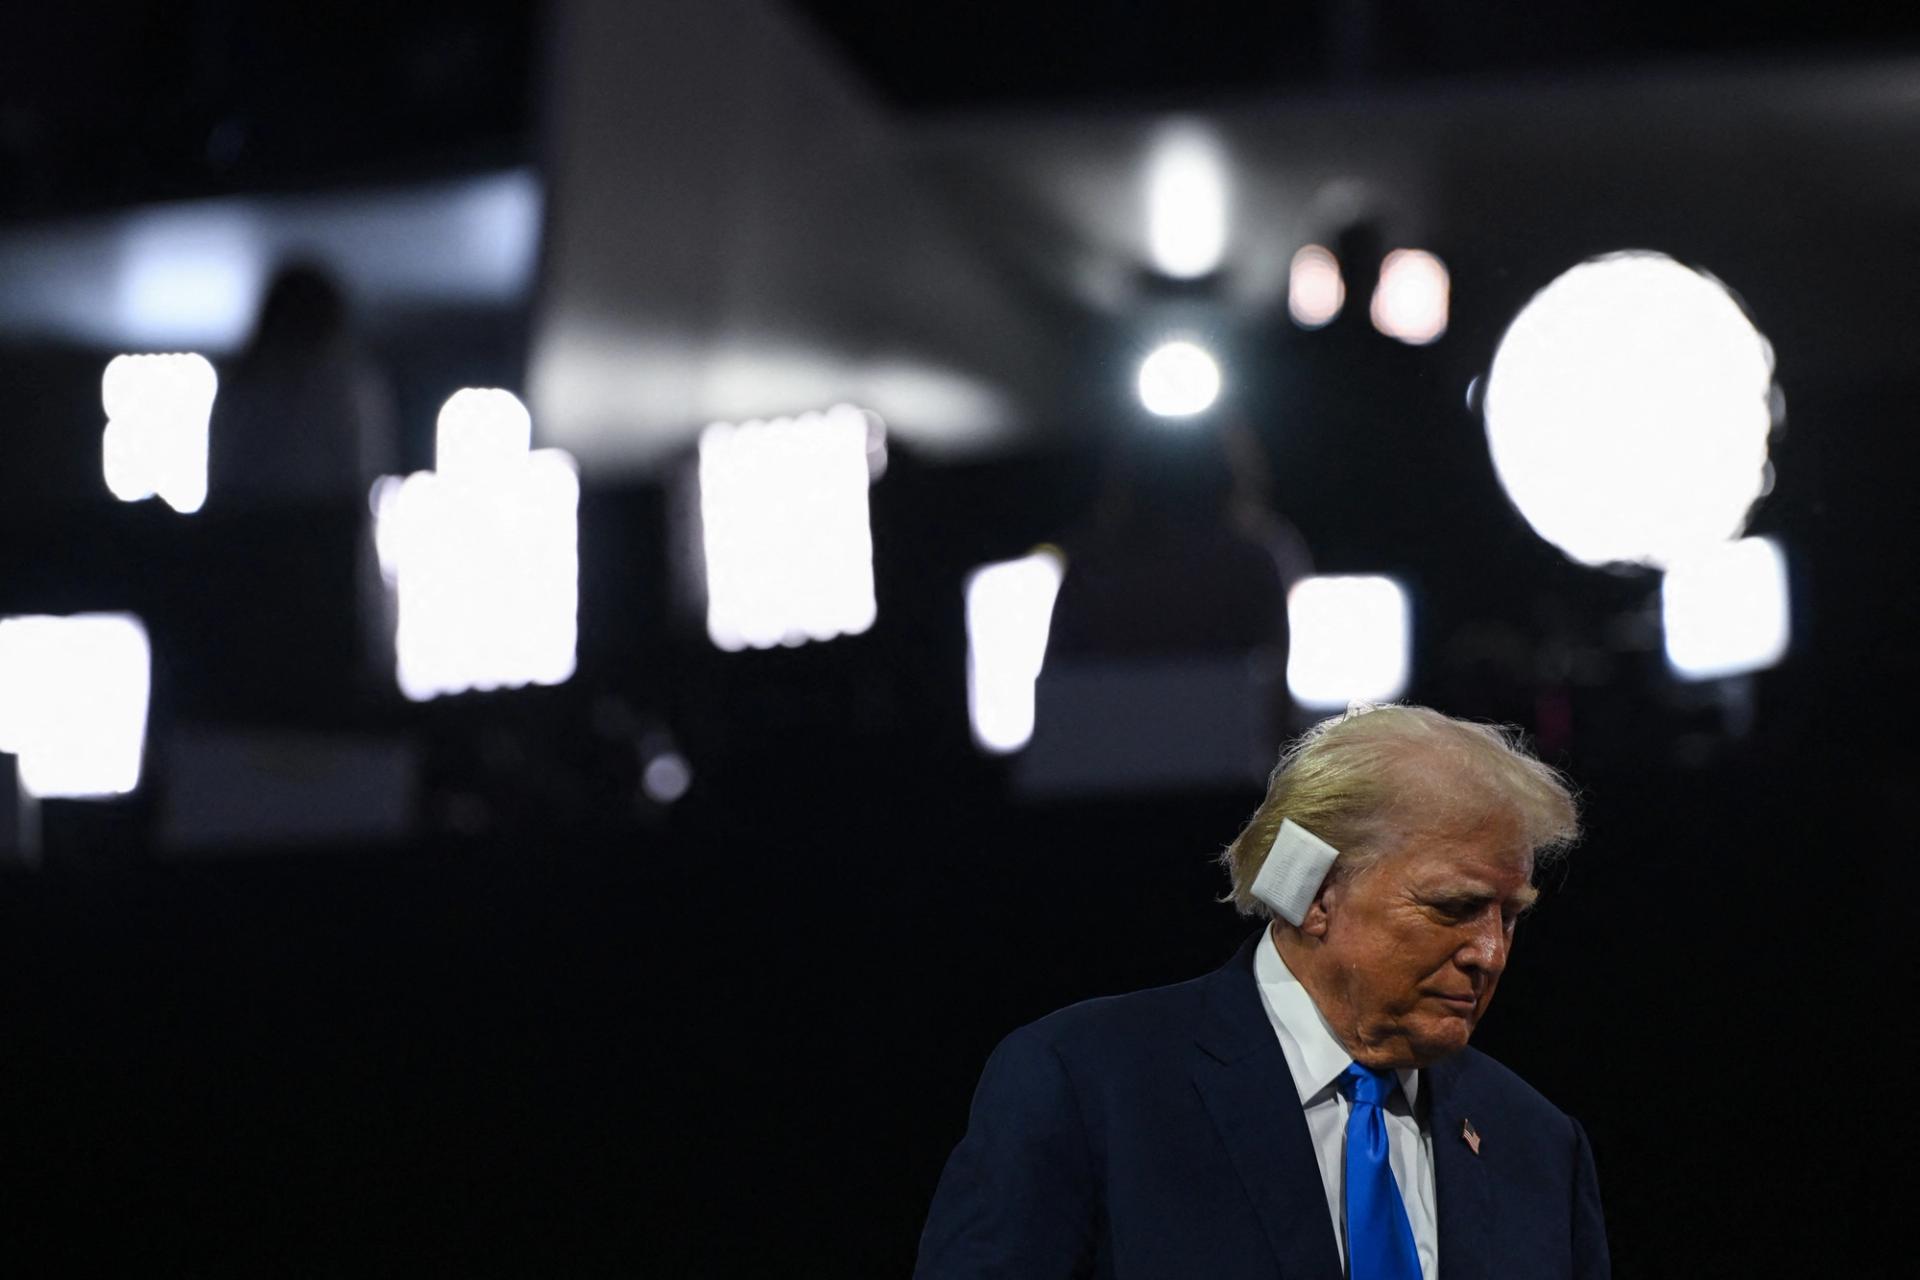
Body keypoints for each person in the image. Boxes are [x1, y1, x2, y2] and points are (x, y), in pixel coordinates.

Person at [916, 704, 1609, 1279]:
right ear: (1314, 895)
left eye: (1510, 916)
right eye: (1453, 907)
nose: (1489, 954)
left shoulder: (1537, 1144)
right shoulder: (1089, 1085)